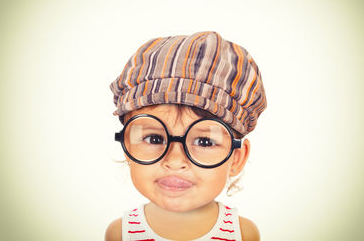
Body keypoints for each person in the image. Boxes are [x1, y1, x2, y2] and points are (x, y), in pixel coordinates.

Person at [105, 31, 267, 241]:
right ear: (127, 145)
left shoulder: (244, 233)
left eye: (204, 141)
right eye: (154, 139)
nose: (174, 161)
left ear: (236, 158)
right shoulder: (119, 233)